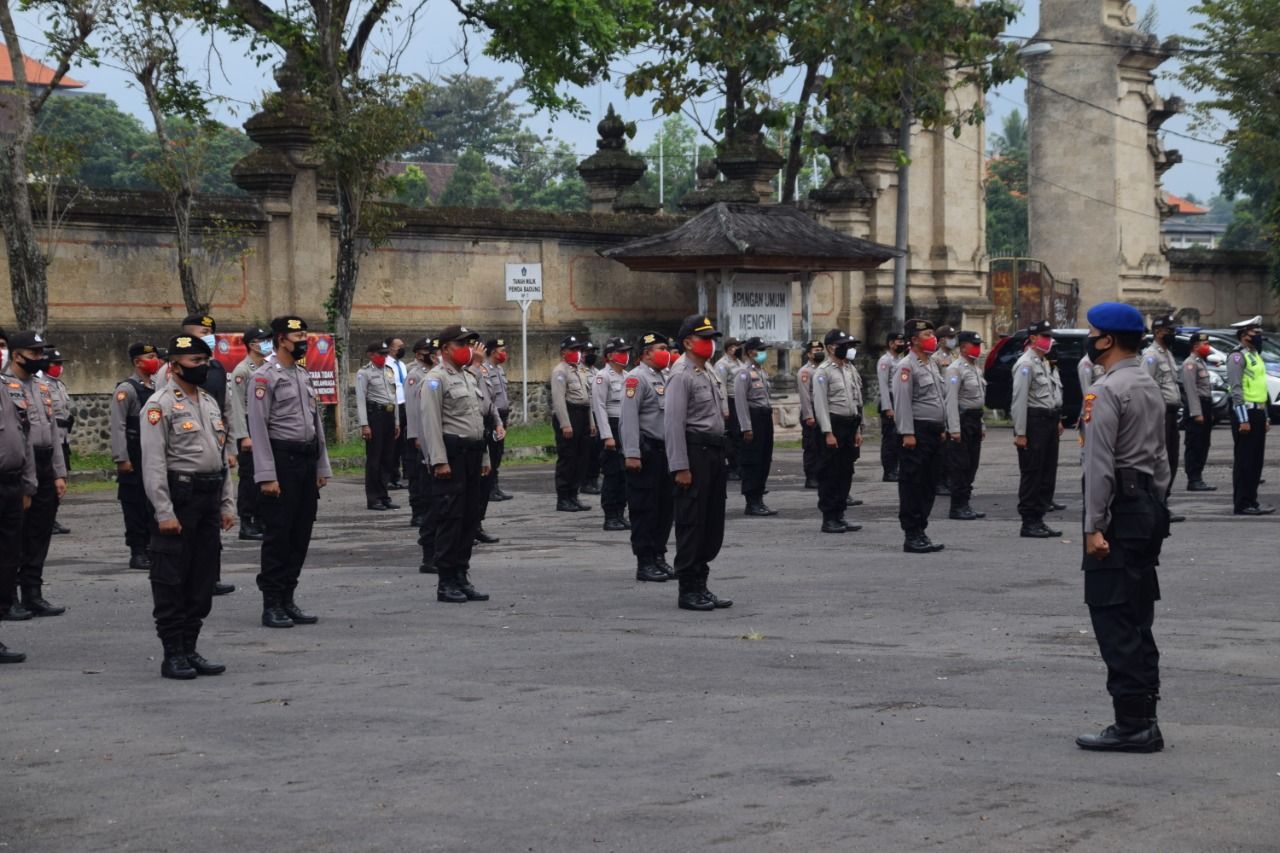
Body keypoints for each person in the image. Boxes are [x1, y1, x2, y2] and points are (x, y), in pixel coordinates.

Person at [1075, 302, 1171, 753]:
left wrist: (1094, 525)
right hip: (1147, 506)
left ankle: (1132, 724)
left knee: (1114, 617)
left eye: (1092, 332)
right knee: (1137, 615)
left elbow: (1099, 465)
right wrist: (1157, 504)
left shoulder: (1106, 389)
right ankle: (1145, 714)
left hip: (1118, 512)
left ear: (1108, 340)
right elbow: (1162, 458)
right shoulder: (1147, 382)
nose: (1088, 338)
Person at [140, 334, 235, 680]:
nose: (203, 367)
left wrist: (227, 504)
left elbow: (221, 458)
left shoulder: (208, 401)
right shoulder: (159, 404)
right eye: (196, 362)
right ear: (175, 365)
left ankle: (191, 647)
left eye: (205, 360)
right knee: (171, 578)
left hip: (208, 498)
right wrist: (163, 512)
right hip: (179, 498)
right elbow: (152, 464)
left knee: (202, 577)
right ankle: (173, 653)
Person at [248, 315, 331, 628]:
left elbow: (315, 422)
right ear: (281, 338)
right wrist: (267, 475)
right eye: (298, 336)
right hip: (281, 461)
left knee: (301, 533)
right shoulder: (264, 376)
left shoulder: (302, 374)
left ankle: (288, 597)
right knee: (279, 534)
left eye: (305, 335)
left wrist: (321, 466)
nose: (303, 340)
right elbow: (258, 428)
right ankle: (271, 602)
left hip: (306, 461)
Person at [666, 315, 733, 611]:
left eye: (712, 338)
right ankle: (688, 589)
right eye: (704, 338)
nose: (710, 344)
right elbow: (673, 424)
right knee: (692, 522)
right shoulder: (681, 374)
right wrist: (680, 466)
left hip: (714, 453)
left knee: (711, 522)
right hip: (694, 453)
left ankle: (702, 584)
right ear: (688, 342)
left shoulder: (707, 371)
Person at [421, 325, 491, 603]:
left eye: (469, 343)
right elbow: (431, 423)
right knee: (450, 518)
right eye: (461, 343)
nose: (467, 348)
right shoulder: (435, 380)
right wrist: (439, 460)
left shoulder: (468, 377)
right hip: (452, 454)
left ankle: (462, 575)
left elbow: (478, 420)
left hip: (473, 453)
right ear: (445, 348)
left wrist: (484, 456)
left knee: (470, 518)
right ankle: (446, 580)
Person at [1, 331, 67, 618]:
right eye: (35, 353)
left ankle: (33, 592)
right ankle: (9, 596)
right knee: (14, 537)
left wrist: (58, 473)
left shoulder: (42, 387)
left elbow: (53, 431)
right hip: (20, 468)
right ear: (17, 355)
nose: (40, 359)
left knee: (40, 532)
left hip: (44, 462)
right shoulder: (6, 385)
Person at [622, 332, 677, 583]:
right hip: (647, 452)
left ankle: (659, 556)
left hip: (667, 453)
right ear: (646, 354)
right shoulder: (636, 379)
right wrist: (632, 453)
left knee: (666, 508)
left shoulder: (665, 377)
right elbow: (629, 419)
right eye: (661, 348)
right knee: (645, 508)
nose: (666, 352)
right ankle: (644, 562)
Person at [894, 319, 947, 554]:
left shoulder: (932, 364)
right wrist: (907, 432)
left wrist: (943, 426)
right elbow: (902, 401)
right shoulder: (907, 366)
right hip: (916, 432)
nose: (932, 337)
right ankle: (911, 533)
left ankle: (921, 529)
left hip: (934, 431)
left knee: (929, 483)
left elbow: (938, 398)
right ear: (914, 339)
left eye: (932, 333)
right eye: (927, 334)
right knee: (913, 483)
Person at [0, 331, 37, 660]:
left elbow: (22, 438)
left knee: (7, 558)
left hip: (10, 484)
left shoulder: (5, 390)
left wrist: (27, 483)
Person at [110, 342, 162, 571]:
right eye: (150, 356)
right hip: (134, 453)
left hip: (153, 453)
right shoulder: (127, 389)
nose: (155, 360)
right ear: (137, 361)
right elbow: (118, 425)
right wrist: (122, 457)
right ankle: (138, 551)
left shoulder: (158, 387)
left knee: (153, 501)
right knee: (135, 503)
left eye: (156, 356)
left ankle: (153, 546)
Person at [1011, 321, 1064, 539]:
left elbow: (1052, 394)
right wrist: (1020, 432)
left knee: (1047, 472)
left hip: (1049, 421)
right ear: (1032, 338)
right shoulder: (1026, 364)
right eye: (1044, 336)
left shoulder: (1044, 362)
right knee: (1033, 472)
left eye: (1049, 336)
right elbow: (1019, 400)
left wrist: (1058, 419)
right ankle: (1029, 521)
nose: (1048, 340)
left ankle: (1039, 518)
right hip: (1034, 423)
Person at [812, 329, 863, 534]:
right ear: (831, 347)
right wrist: (828, 432)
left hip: (850, 425)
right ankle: (829, 517)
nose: (848, 348)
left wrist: (858, 429)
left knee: (845, 472)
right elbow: (821, 404)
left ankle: (840, 514)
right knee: (829, 474)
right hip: (833, 425)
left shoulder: (850, 369)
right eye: (843, 344)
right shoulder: (823, 371)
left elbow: (857, 400)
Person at [228, 326, 272, 540]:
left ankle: (262, 519)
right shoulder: (242, 371)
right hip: (248, 424)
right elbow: (236, 405)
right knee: (249, 477)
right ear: (252, 344)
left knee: (265, 474)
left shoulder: (267, 367)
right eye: (264, 340)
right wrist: (243, 435)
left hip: (263, 424)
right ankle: (246, 522)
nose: (268, 344)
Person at [1226, 316, 1273, 515]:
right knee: (1245, 460)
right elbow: (1236, 390)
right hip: (1245, 413)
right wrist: (1243, 419)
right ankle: (1242, 503)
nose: (1258, 336)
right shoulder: (1237, 357)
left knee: (1256, 460)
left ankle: (1251, 500)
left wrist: (1266, 415)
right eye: (1255, 333)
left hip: (1258, 411)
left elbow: (1261, 388)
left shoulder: (1255, 355)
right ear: (1244, 336)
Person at [1142, 316, 1185, 521]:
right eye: (1170, 330)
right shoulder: (1150, 355)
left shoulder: (1167, 353)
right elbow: (1146, 387)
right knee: (1161, 460)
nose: (1173, 334)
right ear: (1158, 332)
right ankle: (1156, 504)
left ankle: (1163, 502)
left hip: (1171, 414)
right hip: (1159, 415)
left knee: (1172, 459)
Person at [944, 331, 988, 521]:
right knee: (960, 466)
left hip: (975, 420)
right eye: (974, 344)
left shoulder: (976, 369)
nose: (978, 347)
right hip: (962, 421)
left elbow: (978, 400)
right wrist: (954, 428)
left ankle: (966, 503)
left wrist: (982, 424)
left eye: (979, 344)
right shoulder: (955, 369)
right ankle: (957, 506)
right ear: (963, 347)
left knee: (972, 465)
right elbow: (951, 401)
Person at [551, 335, 595, 512]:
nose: (577, 353)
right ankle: (563, 498)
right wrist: (565, 424)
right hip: (570, 414)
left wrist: (591, 422)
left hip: (583, 414)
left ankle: (573, 495)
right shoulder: (560, 371)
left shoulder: (581, 370)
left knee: (581, 457)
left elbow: (588, 397)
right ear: (563, 353)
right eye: (573, 350)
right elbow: (559, 400)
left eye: (579, 350)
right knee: (568, 458)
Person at [592, 337, 632, 532]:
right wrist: (607, 435)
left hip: (626, 427)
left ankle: (620, 512)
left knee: (625, 474)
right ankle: (610, 516)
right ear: (609, 356)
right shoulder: (602, 376)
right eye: (621, 352)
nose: (625, 355)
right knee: (612, 474)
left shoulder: (628, 376)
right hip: (612, 426)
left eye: (626, 351)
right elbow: (599, 407)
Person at [734, 336, 777, 516]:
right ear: (751, 352)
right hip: (753, 418)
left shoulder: (761, 371)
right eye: (760, 350)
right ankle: (751, 501)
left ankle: (759, 498)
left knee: (765, 458)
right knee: (752, 460)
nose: (763, 353)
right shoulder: (743, 373)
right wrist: (746, 427)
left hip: (765, 417)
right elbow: (740, 402)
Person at [356, 340, 400, 511]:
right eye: (380, 354)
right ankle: (373, 498)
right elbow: (360, 399)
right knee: (374, 459)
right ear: (371, 355)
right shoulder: (364, 373)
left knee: (388, 458)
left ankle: (384, 495)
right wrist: (364, 425)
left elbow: (394, 397)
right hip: (375, 416)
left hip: (389, 415)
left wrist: (396, 421)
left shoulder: (389, 371)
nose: (384, 357)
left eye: (385, 354)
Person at [467, 341, 503, 545]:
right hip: (470, 429)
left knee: (485, 481)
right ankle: (467, 528)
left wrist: (498, 422)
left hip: (486, 427)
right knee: (471, 484)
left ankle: (477, 524)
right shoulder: (464, 373)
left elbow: (488, 402)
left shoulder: (481, 372)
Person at [157, 315, 228, 413]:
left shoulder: (217, 367)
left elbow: (227, 405)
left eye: (211, 332)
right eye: (205, 332)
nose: (210, 336)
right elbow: (162, 404)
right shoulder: (169, 368)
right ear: (188, 335)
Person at [403, 337, 434, 529]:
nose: (431, 354)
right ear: (418, 354)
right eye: (427, 351)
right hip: (418, 434)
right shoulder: (414, 375)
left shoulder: (434, 373)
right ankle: (418, 513)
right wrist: (415, 435)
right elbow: (412, 408)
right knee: (417, 475)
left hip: (430, 432)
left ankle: (429, 511)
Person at [1181, 332, 1216, 492]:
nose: (1207, 346)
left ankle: (1199, 477)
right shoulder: (1190, 364)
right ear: (1195, 346)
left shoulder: (1200, 362)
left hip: (1206, 406)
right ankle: (1193, 479)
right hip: (1197, 407)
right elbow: (1191, 390)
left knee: (1204, 443)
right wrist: (1196, 413)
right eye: (1205, 344)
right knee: (1195, 444)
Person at [45, 348, 72, 535]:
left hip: (63, 439)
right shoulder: (42, 385)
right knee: (49, 480)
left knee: (62, 477)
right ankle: (47, 518)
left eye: (60, 364)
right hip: (50, 439)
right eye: (55, 363)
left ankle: (52, 516)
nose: (59, 367)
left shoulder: (59, 385)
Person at [483, 339, 513, 501]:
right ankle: (489, 488)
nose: (504, 353)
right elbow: (489, 398)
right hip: (493, 418)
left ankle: (495, 485)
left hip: (503, 416)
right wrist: (496, 421)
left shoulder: (499, 369)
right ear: (494, 352)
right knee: (492, 452)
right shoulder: (485, 370)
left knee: (499, 452)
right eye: (502, 350)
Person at [714, 337, 744, 480]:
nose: (738, 349)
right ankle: (733, 467)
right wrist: (725, 408)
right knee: (732, 436)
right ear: (728, 348)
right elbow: (721, 387)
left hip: (740, 401)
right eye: (735, 346)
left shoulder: (739, 362)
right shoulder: (722, 365)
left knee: (740, 435)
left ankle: (739, 465)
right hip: (730, 402)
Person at [877, 332, 905, 482]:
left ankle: (897, 468)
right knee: (890, 439)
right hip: (890, 400)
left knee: (899, 437)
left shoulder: (901, 360)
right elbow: (882, 385)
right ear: (890, 344)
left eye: (902, 340)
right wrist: (888, 407)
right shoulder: (885, 361)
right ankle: (889, 471)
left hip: (900, 400)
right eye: (898, 341)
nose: (901, 343)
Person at [796, 339, 824, 490]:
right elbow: (805, 396)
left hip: (823, 410)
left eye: (820, 349)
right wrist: (808, 415)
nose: (819, 352)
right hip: (811, 410)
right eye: (815, 350)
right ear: (808, 354)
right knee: (811, 446)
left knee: (822, 445)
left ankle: (821, 474)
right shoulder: (805, 372)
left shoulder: (825, 368)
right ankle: (811, 476)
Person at [581, 342, 603, 494]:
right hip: (587, 415)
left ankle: (594, 480)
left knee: (597, 451)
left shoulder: (597, 372)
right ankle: (585, 482)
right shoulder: (579, 372)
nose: (592, 354)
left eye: (594, 351)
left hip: (598, 413)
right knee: (587, 451)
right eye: (588, 351)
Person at [387, 337, 409, 490]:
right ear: (390, 348)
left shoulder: (401, 364)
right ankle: (388, 477)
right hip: (393, 406)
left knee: (401, 444)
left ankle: (396, 476)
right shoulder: (386, 364)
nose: (402, 349)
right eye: (399, 346)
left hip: (404, 405)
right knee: (391, 444)